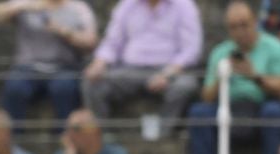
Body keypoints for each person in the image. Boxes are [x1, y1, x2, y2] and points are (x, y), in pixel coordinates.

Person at [185, 2, 280, 154]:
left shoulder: (274, 48)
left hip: (260, 106)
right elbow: (207, 96)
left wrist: (254, 77)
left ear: (254, 22)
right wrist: (222, 77)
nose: (240, 31)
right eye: (233, 27)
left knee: (273, 112)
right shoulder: (220, 52)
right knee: (198, 113)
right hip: (228, 106)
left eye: (244, 24)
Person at [84, 0, 203, 130]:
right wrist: (98, 63)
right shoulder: (127, 4)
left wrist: (167, 74)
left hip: (170, 70)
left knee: (184, 86)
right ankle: (102, 138)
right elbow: (112, 43)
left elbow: (191, 50)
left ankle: (162, 135)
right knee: (92, 83)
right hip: (129, 70)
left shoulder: (184, 5)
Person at [0, 0, 98, 121]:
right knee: (15, 88)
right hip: (27, 68)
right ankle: (14, 138)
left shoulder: (79, 8)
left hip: (64, 68)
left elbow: (91, 43)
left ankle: (63, 137)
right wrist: (24, 6)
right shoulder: (28, 3)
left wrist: (65, 32)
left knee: (64, 90)